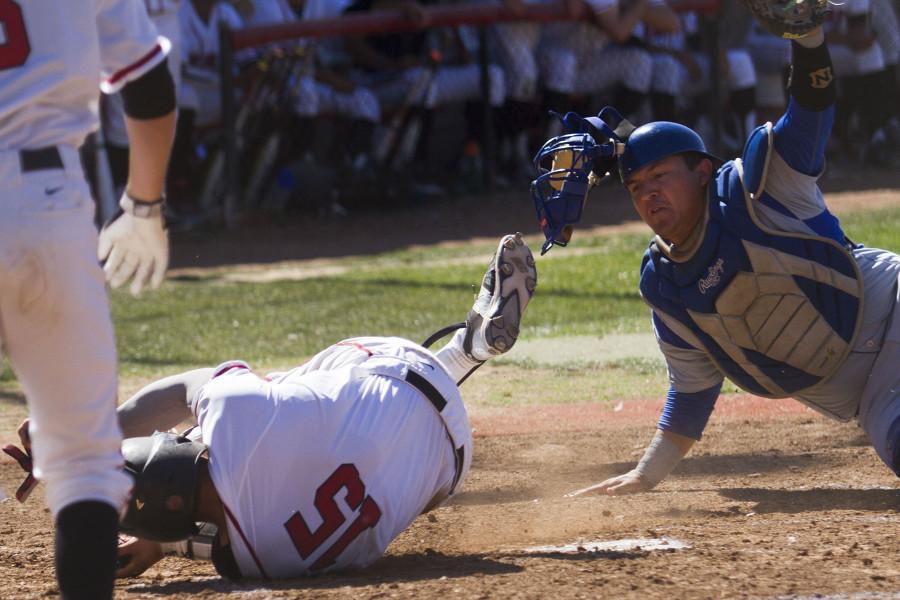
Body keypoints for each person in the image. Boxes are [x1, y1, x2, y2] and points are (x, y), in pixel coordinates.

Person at [532, 23, 900, 496]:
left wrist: (808, 40)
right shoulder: (667, 286)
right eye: (637, 187)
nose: (649, 195)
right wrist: (646, 474)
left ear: (703, 171)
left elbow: (811, 110)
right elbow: (692, 390)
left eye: (661, 175)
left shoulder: (759, 187)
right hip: (872, 400)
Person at [105, 233, 536, 578]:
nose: (167, 440)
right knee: (283, 395)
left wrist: (159, 539)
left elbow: (220, 537)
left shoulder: (252, 563)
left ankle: (466, 353)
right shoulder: (233, 418)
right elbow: (183, 390)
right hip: (397, 367)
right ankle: (465, 349)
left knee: (366, 481)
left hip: (448, 464)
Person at [0, 1, 177, 598]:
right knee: (81, 462)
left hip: (42, 196)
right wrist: (144, 205)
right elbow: (147, 82)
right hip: (41, 201)